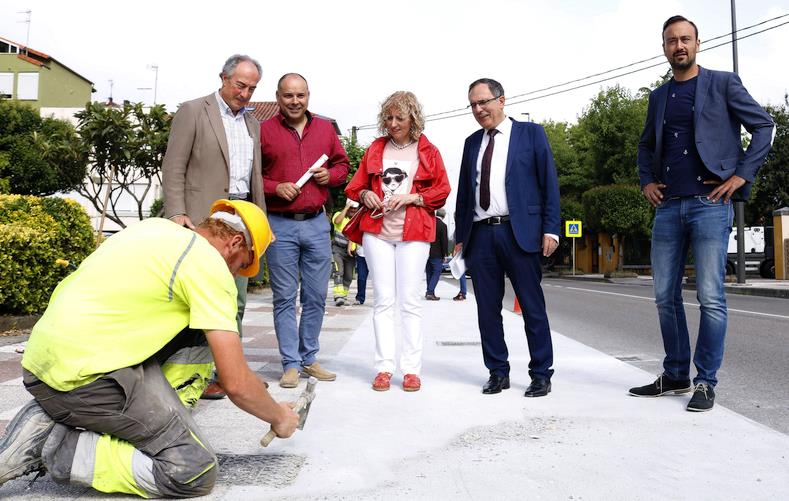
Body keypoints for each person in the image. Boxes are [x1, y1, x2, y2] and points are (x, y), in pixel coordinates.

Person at [0, 200, 299, 498]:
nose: (236, 275)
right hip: (86, 381)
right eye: (243, 264)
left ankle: (67, 415)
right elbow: (236, 383)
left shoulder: (154, 228)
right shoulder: (209, 266)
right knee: (193, 471)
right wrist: (278, 416)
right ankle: (60, 445)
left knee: (198, 332)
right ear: (234, 243)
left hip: (41, 367)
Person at [629, 15, 774, 412]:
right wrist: (646, 181)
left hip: (710, 204)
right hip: (668, 206)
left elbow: (764, 126)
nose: (679, 46)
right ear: (664, 48)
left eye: (685, 39)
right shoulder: (658, 97)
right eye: (672, 41)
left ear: (697, 43)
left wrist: (741, 175)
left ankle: (705, 381)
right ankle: (675, 374)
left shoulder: (723, 83)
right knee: (664, 296)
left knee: (710, 296)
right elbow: (645, 147)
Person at [162, 54, 264, 400]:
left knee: (235, 301)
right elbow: (173, 165)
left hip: (241, 219)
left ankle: (228, 374)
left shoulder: (253, 123)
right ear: (223, 78)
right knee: (193, 301)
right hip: (200, 220)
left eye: (252, 88)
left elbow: (256, 178)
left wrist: (260, 223)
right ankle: (189, 374)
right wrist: (176, 212)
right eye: (240, 85)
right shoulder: (194, 111)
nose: (246, 94)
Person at [454, 78, 560, 397]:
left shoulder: (531, 134)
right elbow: (464, 193)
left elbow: (549, 183)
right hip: (481, 235)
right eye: (473, 104)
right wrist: (460, 237)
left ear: (501, 100)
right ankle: (497, 372)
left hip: (520, 232)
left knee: (531, 306)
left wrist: (551, 228)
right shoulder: (472, 142)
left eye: (483, 101)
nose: (478, 109)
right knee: (487, 309)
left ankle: (541, 373)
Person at [346, 91, 451, 392]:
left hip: (414, 232)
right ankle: (383, 368)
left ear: (413, 118)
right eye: (388, 117)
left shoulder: (428, 150)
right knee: (383, 301)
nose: (393, 123)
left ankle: (411, 370)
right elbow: (356, 188)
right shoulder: (375, 148)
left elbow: (442, 190)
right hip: (377, 232)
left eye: (399, 118)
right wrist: (366, 194)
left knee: (410, 301)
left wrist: (411, 197)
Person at [260, 73, 350, 388]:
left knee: (315, 296)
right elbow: (252, 177)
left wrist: (331, 176)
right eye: (288, 96)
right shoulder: (264, 131)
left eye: (300, 95)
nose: (295, 101)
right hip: (279, 225)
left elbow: (342, 166)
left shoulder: (325, 129)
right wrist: (274, 187)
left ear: (308, 95)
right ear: (278, 97)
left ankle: (309, 358)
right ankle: (290, 364)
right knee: (284, 297)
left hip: (315, 223)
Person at [331, 200, 359, 306]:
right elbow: (337, 222)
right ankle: (338, 296)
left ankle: (343, 296)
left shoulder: (357, 219)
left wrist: (350, 247)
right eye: (351, 208)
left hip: (351, 252)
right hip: (337, 249)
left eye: (354, 209)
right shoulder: (339, 214)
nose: (352, 210)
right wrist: (346, 208)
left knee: (348, 276)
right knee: (339, 271)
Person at [425, 209, 448, 300]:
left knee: (429, 273)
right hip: (437, 254)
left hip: (426, 252)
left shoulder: (429, 222)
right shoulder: (443, 225)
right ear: (444, 216)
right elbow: (444, 241)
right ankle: (430, 292)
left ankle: (430, 292)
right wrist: (445, 254)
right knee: (436, 273)